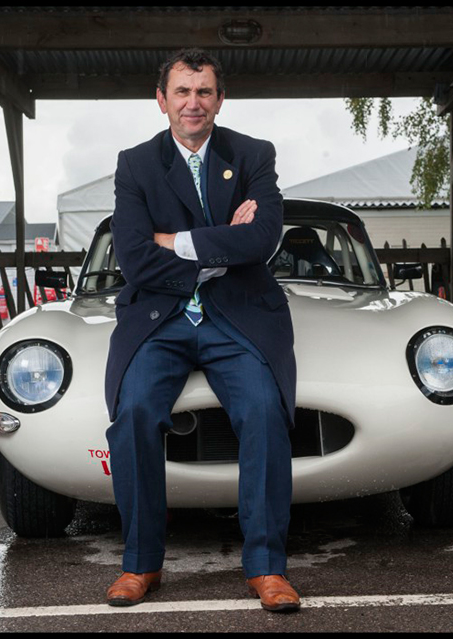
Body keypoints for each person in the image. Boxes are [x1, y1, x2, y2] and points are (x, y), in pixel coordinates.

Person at [103, 48, 300, 613]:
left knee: (264, 411)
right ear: (162, 100)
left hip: (235, 315)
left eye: (205, 91)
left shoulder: (253, 155)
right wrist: (220, 243)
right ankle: (141, 564)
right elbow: (137, 261)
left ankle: (267, 569)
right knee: (135, 412)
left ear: (220, 99)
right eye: (183, 92)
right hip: (159, 318)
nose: (194, 102)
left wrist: (178, 240)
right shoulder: (136, 163)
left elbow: (261, 240)